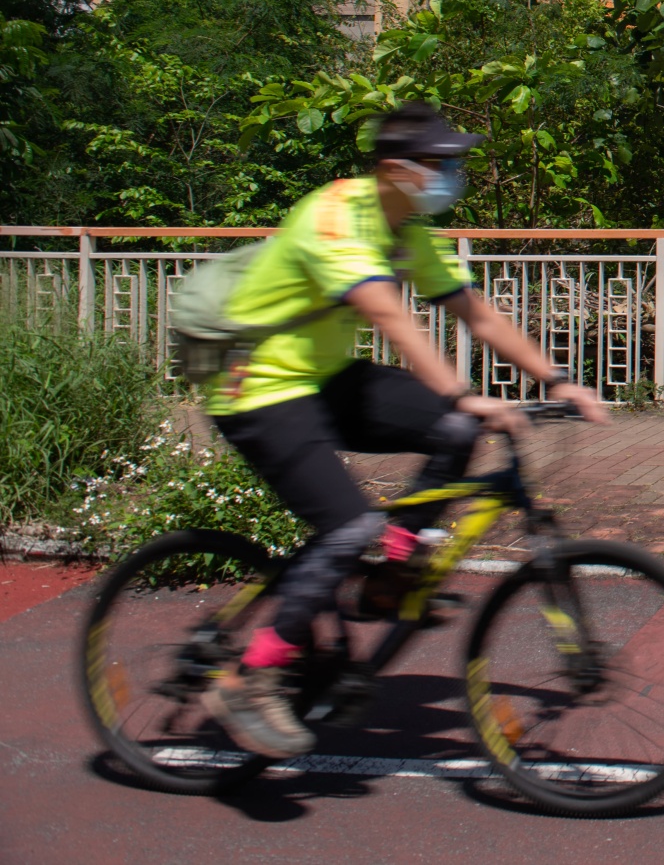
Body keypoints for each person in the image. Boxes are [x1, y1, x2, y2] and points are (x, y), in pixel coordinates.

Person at [199, 102, 609, 759]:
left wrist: (556, 380)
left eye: (455, 161)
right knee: (349, 526)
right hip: (260, 386)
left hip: (324, 378)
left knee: (450, 430)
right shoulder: (335, 216)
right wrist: (465, 392)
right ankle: (248, 675)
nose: (453, 172)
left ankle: (388, 575)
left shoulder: (406, 228)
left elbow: (476, 314)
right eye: (440, 162)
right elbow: (390, 316)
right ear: (394, 167)